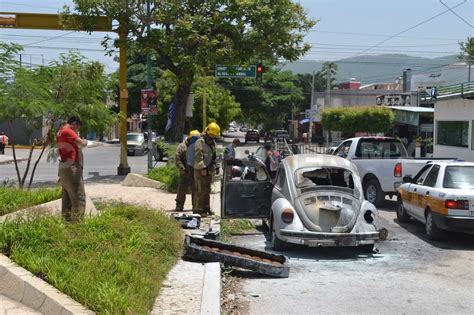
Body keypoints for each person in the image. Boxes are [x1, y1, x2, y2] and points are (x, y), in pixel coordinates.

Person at [56, 116, 88, 223]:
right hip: (72, 168)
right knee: (79, 197)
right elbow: (81, 143)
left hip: (63, 167)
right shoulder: (68, 131)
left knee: (67, 198)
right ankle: (78, 227)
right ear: (74, 124)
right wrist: (86, 142)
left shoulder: (60, 132)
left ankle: (66, 224)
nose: (77, 130)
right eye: (77, 128)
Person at [194, 122, 220, 216]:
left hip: (209, 169)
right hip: (200, 170)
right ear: (208, 133)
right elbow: (198, 156)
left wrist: (217, 167)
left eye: (215, 136)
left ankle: (206, 209)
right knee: (200, 190)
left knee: (207, 190)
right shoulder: (200, 142)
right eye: (212, 135)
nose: (213, 137)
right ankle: (198, 211)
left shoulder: (212, 142)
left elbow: (215, 156)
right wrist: (202, 168)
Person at [175, 130, 200, 211]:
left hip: (194, 172)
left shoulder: (198, 147)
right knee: (182, 190)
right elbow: (178, 159)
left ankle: (195, 206)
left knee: (195, 190)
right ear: (189, 138)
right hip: (185, 171)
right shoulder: (182, 146)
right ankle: (179, 205)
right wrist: (182, 168)